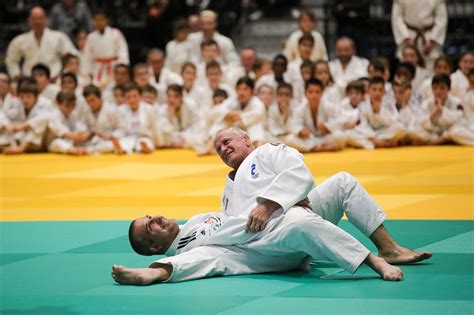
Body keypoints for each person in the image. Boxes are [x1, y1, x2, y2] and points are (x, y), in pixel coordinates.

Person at [112, 128, 431, 285]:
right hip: (273, 242)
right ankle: (372, 261)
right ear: (155, 245)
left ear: (247, 140)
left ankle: (388, 247)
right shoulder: (196, 232)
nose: (223, 149)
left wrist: (273, 202)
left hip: (287, 216)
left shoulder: (266, 154)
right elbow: (210, 257)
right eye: (219, 148)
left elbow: (299, 171)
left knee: (343, 181)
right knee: (296, 220)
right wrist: (160, 271)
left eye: (227, 142)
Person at [5, 6, 78, 79]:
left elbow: (72, 55)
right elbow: (11, 60)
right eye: (34, 19)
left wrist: (64, 73)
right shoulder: (20, 40)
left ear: (46, 19)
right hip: (29, 80)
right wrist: (17, 75)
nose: (37, 22)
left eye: (40, 18)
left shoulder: (59, 37)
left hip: (55, 79)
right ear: (29, 20)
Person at [287, 79, 343, 152]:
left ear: (322, 93)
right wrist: (301, 131)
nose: (314, 95)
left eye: (317, 92)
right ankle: (320, 148)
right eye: (310, 92)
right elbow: (295, 124)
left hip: (325, 138)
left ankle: (314, 148)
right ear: (305, 94)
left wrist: (327, 126)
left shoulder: (328, 106)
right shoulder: (300, 109)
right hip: (309, 139)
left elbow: (338, 121)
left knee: (340, 135)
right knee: (290, 139)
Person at [391, 0, 447, 74]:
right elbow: (397, 18)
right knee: (407, 65)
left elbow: (441, 18)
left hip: (429, 35)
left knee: (431, 67)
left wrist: (432, 40)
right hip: (409, 33)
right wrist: (406, 37)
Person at [417, 74, 474, 146]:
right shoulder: (426, 103)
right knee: (416, 131)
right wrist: (435, 113)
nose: (438, 91)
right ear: (431, 89)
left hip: (450, 132)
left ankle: (442, 140)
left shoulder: (457, 102)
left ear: (449, 89)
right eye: (435, 88)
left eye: (442, 88)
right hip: (433, 133)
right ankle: (444, 140)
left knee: (456, 132)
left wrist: (442, 110)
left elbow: (460, 122)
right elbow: (422, 122)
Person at [1, 78, 52, 154]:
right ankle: (13, 146)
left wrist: (22, 126)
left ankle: (21, 148)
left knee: (40, 123)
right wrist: (7, 125)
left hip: (40, 140)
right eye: (22, 97)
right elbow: (3, 114)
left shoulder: (46, 103)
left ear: (36, 97)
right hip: (21, 137)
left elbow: (46, 118)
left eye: (28, 96)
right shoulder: (17, 102)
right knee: (6, 127)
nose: (25, 100)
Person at [82, 10, 129, 88]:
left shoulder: (116, 33)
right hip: (98, 67)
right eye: (96, 20)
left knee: (116, 86)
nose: (99, 22)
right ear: (93, 21)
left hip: (114, 66)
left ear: (107, 20)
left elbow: (122, 50)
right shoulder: (91, 37)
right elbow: (87, 56)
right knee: (97, 86)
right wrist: (88, 72)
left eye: (101, 20)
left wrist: (122, 65)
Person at [358, 77, 405, 148]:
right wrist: (373, 138)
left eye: (380, 90)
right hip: (372, 134)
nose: (377, 93)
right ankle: (385, 143)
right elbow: (363, 125)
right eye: (374, 89)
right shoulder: (363, 105)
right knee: (353, 132)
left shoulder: (389, 104)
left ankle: (380, 143)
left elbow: (393, 121)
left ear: (384, 92)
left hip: (385, 131)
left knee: (400, 128)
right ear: (368, 91)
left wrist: (379, 112)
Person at [112, 83, 155, 154]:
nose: (132, 100)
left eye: (135, 96)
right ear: (124, 99)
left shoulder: (149, 109)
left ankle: (145, 148)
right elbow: (120, 128)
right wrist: (116, 137)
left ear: (141, 97)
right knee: (123, 144)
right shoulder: (120, 110)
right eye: (128, 97)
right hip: (128, 137)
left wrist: (159, 143)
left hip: (144, 136)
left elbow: (154, 127)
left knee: (146, 143)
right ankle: (121, 149)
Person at [46, 89, 89, 155]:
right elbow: (65, 133)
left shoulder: (73, 114)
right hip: (54, 144)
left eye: (73, 105)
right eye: (67, 105)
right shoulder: (53, 115)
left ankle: (78, 149)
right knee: (58, 142)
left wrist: (84, 135)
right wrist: (78, 137)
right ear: (58, 103)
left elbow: (80, 129)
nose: (70, 108)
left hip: (71, 141)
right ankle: (73, 150)